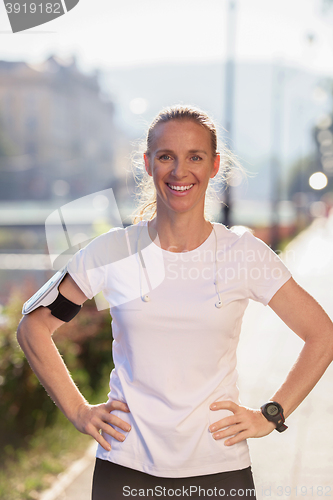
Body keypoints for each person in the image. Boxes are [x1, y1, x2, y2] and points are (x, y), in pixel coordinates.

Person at [17, 105, 333, 500]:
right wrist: (78, 411)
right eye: (166, 156)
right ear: (148, 164)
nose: (180, 171)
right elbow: (34, 326)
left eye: (194, 157)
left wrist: (271, 414)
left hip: (219, 471)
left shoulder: (244, 254)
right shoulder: (113, 252)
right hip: (125, 468)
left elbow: (322, 335)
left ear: (215, 165)